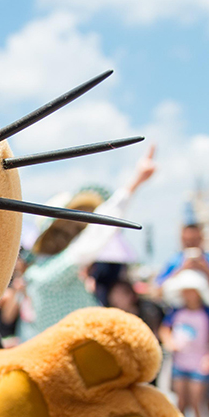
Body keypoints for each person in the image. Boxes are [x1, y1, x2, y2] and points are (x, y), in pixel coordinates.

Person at [19, 146, 156, 340]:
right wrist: (135, 182)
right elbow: (96, 236)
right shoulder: (50, 274)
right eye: (71, 228)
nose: (76, 232)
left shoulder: (36, 275)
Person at [161, 270, 209, 417]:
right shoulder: (176, 312)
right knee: (181, 403)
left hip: (199, 363)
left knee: (197, 402)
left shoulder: (208, 313)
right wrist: (170, 342)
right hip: (180, 363)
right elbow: (165, 330)